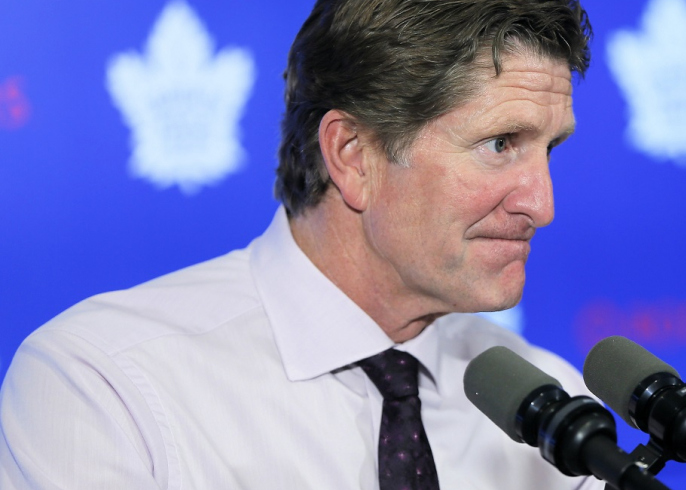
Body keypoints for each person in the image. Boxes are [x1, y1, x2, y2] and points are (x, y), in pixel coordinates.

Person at [0, 0, 602, 488]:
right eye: (500, 144)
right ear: (352, 155)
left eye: (549, 150)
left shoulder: (548, 407)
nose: (541, 205)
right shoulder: (106, 385)